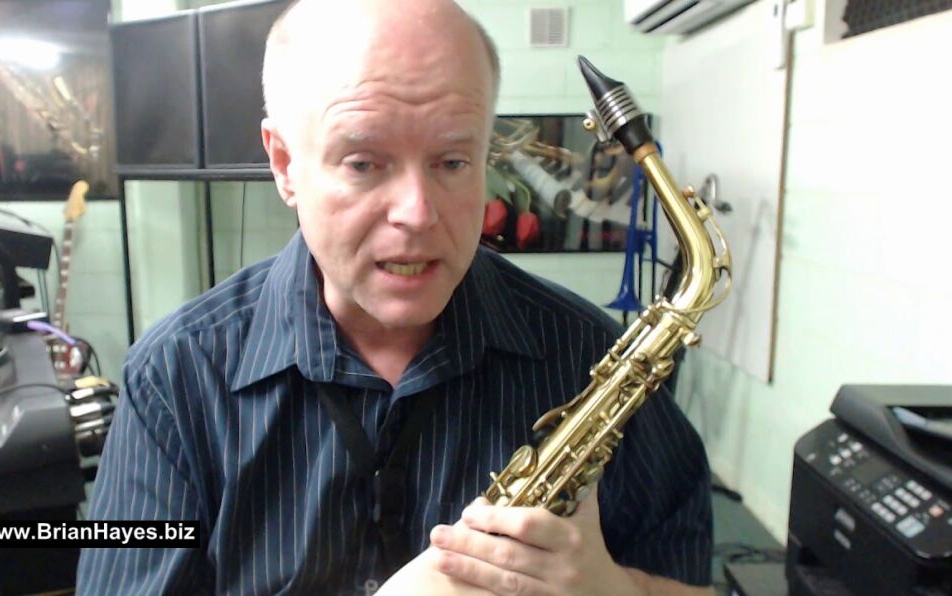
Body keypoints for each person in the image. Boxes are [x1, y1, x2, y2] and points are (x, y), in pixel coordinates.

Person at [77, 0, 714, 594]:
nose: (417, 213)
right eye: (363, 163)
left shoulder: (587, 349)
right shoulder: (174, 376)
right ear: (284, 165)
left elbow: (691, 582)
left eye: (452, 162)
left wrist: (616, 590)